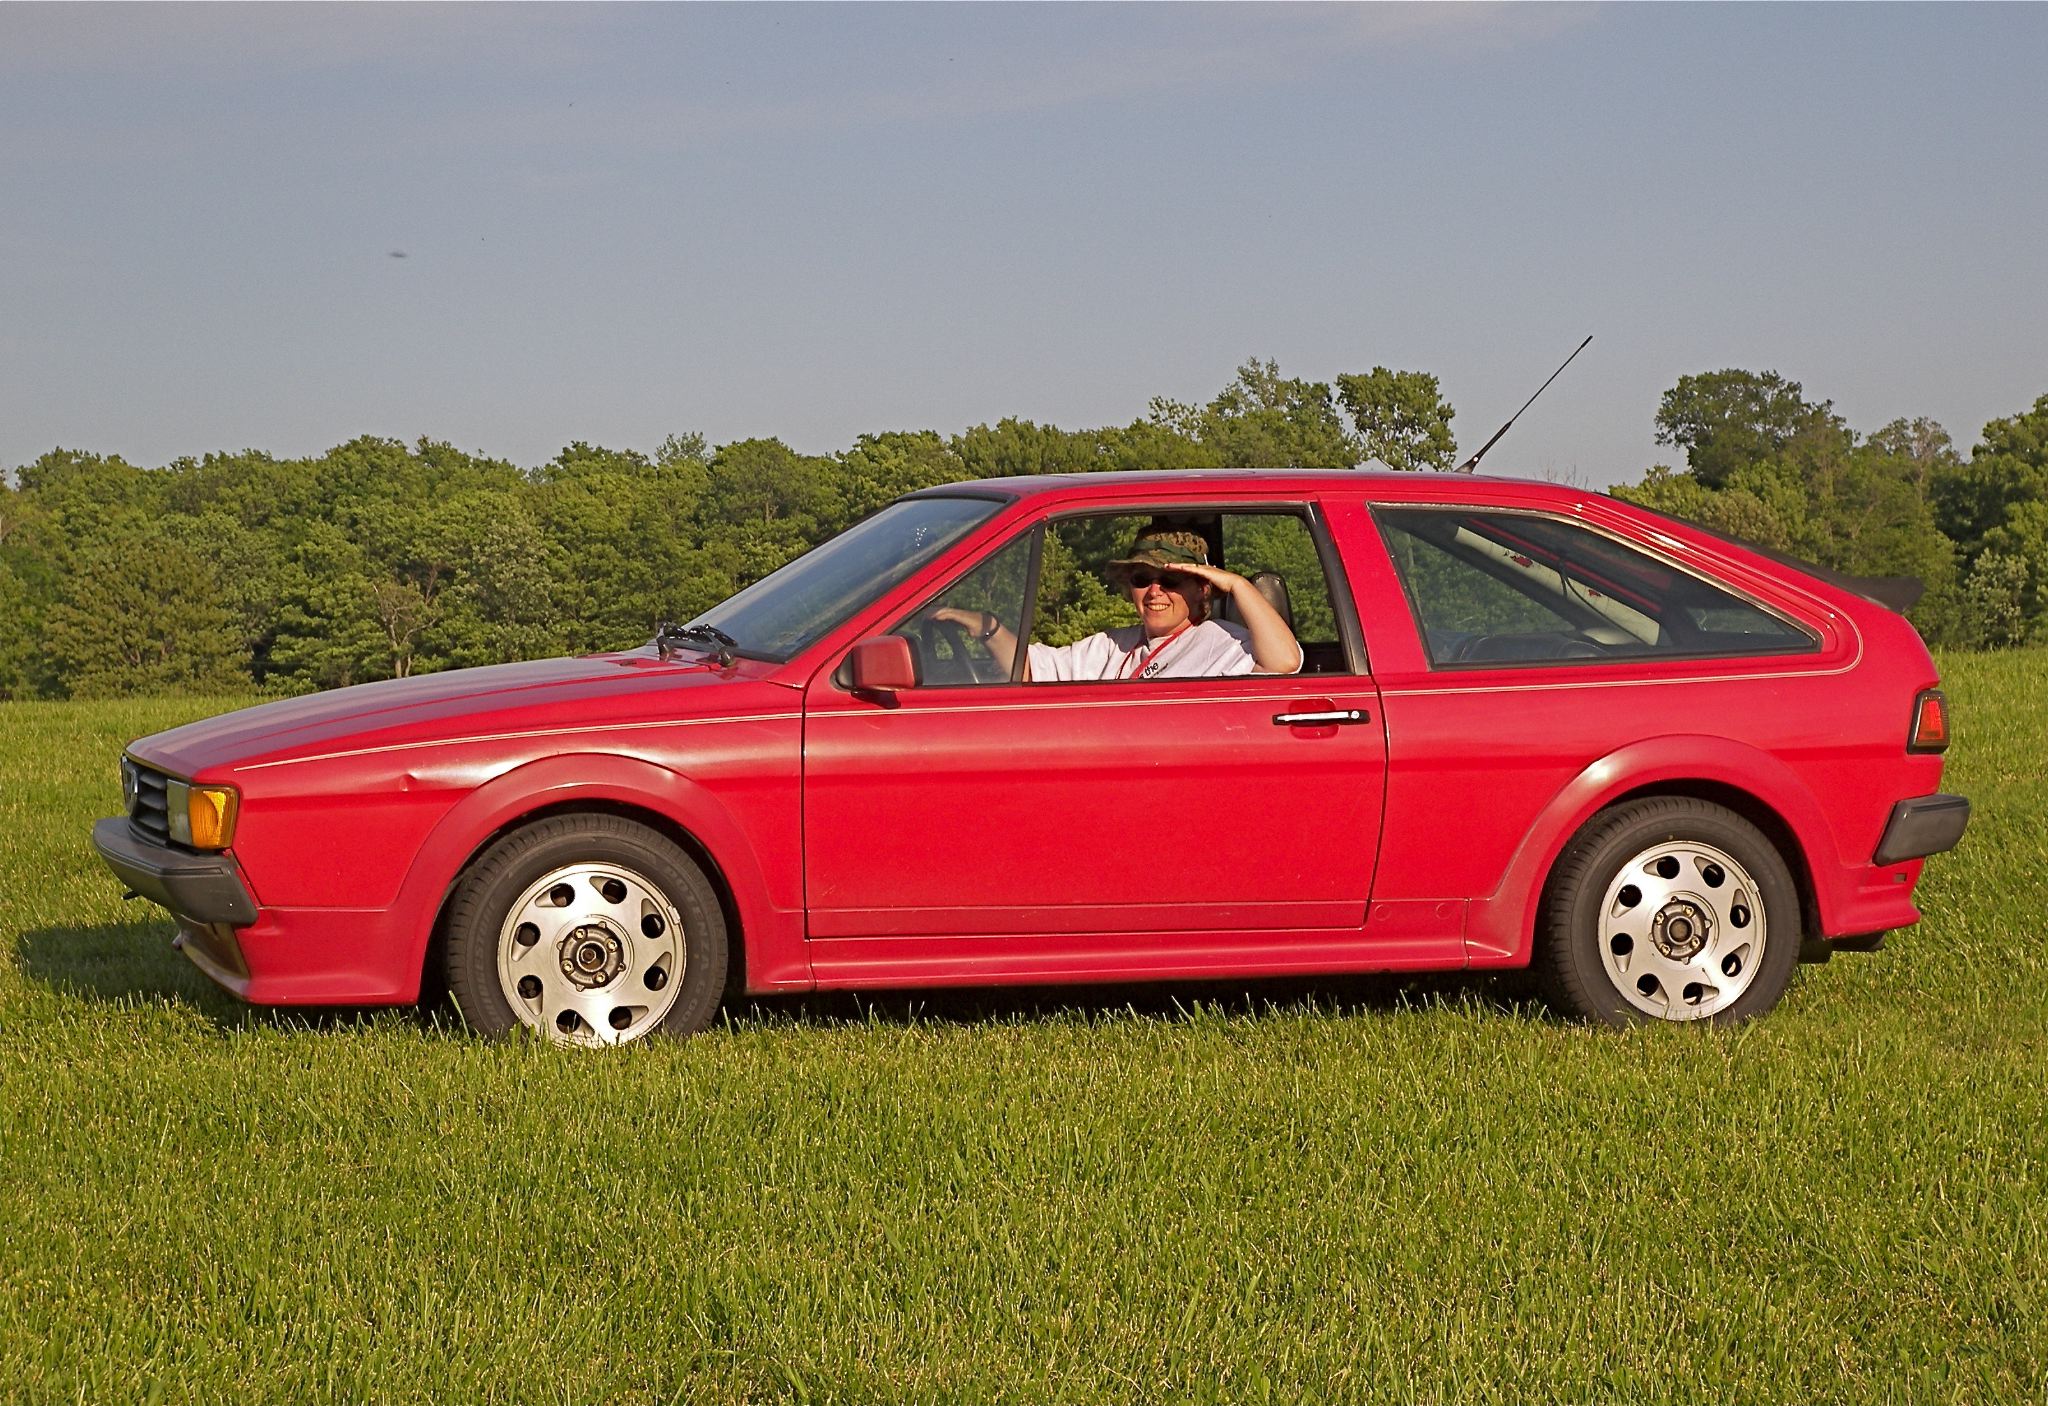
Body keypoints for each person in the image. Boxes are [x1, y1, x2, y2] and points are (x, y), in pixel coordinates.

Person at [934, 525, 1302, 681]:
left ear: (1201, 590)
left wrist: (1237, 584)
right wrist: (987, 626)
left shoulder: (1225, 642)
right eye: (1142, 579)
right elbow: (1031, 670)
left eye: (1170, 580)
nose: (1154, 591)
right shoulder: (1114, 645)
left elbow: (1284, 662)